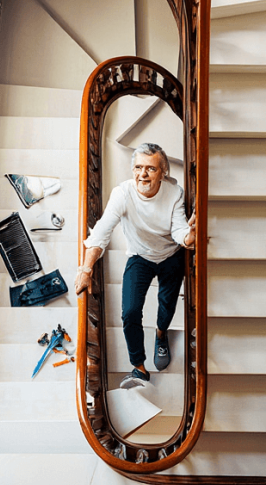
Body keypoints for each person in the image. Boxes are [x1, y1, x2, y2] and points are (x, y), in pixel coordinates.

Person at [75, 143, 197, 388]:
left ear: (163, 172)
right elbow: (101, 232)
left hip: (171, 256)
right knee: (130, 312)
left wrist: (188, 238)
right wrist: (86, 270)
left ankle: (161, 335)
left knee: (167, 304)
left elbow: (178, 229)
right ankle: (139, 367)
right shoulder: (123, 193)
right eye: (138, 167)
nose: (143, 174)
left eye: (151, 168)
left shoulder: (174, 193)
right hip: (140, 257)